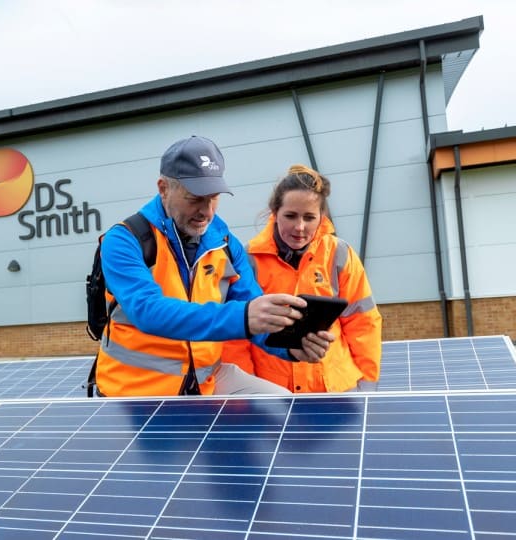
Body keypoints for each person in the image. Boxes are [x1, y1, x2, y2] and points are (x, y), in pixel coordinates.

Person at [95, 136, 334, 397]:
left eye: (213, 198)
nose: (207, 211)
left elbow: (255, 312)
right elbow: (147, 311)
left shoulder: (225, 244)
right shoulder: (124, 240)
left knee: (284, 407)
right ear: (163, 188)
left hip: (205, 380)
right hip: (134, 391)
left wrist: (289, 346)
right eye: (194, 198)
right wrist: (242, 317)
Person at [223, 164, 382, 393]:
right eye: (290, 216)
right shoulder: (248, 260)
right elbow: (236, 336)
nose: (299, 227)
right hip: (274, 393)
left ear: (321, 217)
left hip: (335, 390)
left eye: (309, 217)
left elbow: (363, 323)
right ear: (275, 212)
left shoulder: (339, 254)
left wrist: (368, 388)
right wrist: (247, 397)